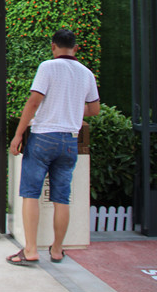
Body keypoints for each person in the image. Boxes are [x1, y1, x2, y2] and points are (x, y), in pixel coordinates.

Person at [6, 29, 100, 266]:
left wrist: (18, 135)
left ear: (53, 46)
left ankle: (30, 250)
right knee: (61, 198)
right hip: (69, 140)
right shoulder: (86, 73)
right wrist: (72, 109)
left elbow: (34, 102)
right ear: (75, 48)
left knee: (30, 193)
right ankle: (57, 250)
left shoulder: (47, 67)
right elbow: (94, 109)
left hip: (43, 137)